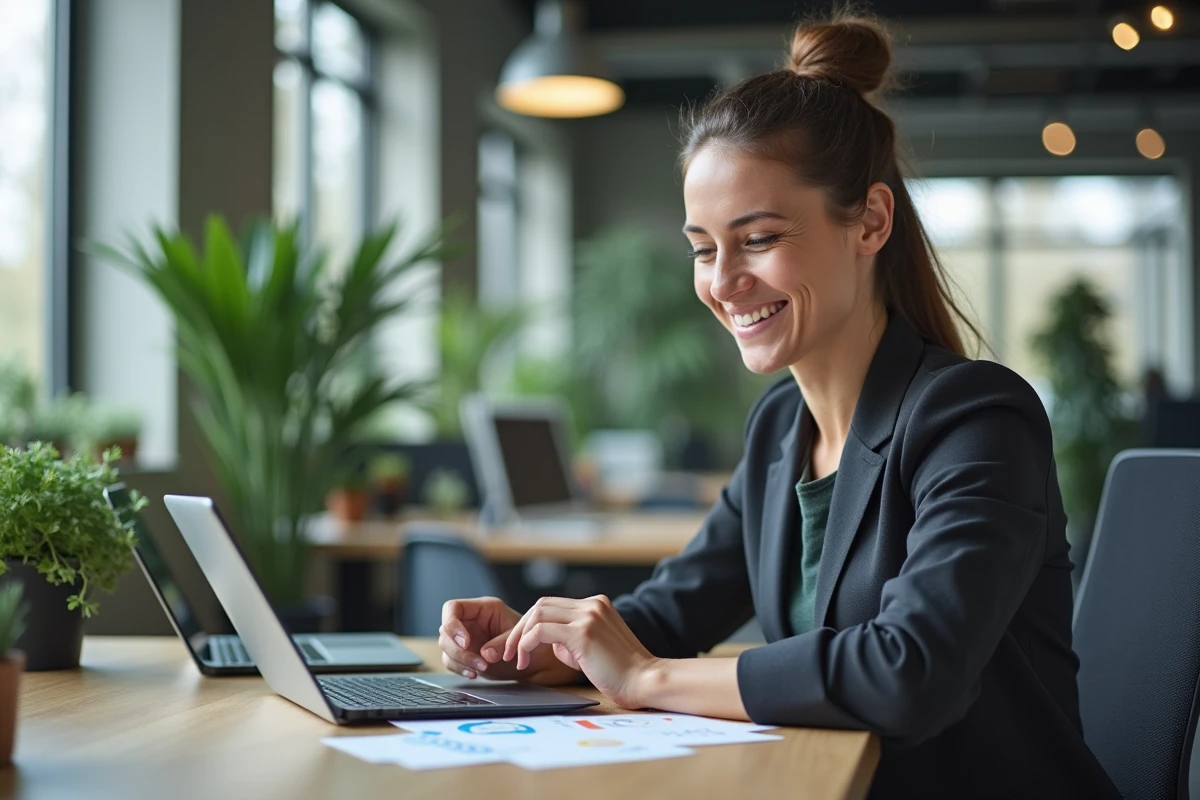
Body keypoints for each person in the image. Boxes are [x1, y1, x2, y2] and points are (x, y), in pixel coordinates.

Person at [439, 11, 1119, 798]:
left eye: (758, 239)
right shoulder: (779, 428)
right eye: (703, 248)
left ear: (870, 222)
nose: (723, 281)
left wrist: (647, 678)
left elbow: (911, 670)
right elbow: (670, 613)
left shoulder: (975, 419)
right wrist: (542, 647)